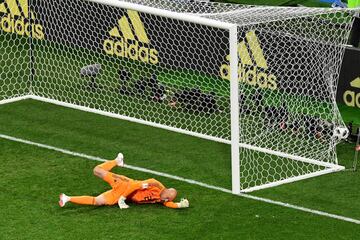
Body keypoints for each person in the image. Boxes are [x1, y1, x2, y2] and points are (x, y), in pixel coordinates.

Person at [59, 153, 189, 209]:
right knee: (97, 170)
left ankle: (67, 198)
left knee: (97, 202)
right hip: (123, 185)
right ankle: (117, 161)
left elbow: (167, 204)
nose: (165, 200)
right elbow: (134, 185)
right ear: (165, 191)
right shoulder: (155, 186)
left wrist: (179, 205)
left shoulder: (162, 199)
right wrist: (122, 198)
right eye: (167, 197)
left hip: (121, 195)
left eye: (168, 200)